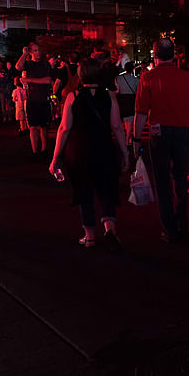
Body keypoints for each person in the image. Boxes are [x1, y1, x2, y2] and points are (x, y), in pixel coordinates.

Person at [50, 59, 130, 251]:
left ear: (81, 74)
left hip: (79, 150)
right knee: (106, 189)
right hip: (104, 147)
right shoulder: (109, 95)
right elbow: (117, 126)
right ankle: (110, 228)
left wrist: (55, 157)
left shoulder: (72, 96)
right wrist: (125, 152)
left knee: (84, 190)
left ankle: (89, 236)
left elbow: (64, 128)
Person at [133, 38, 189, 243]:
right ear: (174, 55)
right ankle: (182, 223)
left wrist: (136, 139)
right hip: (183, 132)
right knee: (180, 179)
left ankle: (169, 229)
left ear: (155, 56)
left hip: (158, 133)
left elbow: (141, 113)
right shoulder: (187, 77)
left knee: (162, 182)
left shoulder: (148, 78)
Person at [16, 42, 53, 157]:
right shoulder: (29, 64)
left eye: (38, 50)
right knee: (32, 127)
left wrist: (29, 80)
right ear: (31, 52)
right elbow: (18, 67)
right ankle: (35, 151)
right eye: (35, 51)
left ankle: (44, 149)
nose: (38, 53)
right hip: (31, 100)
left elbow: (47, 80)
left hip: (43, 99)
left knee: (43, 127)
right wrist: (24, 54)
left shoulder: (45, 64)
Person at [115, 62, 139, 146]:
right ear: (132, 69)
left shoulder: (118, 78)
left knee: (125, 121)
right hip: (131, 101)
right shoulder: (135, 80)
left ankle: (127, 138)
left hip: (122, 101)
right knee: (130, 122)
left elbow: (117, 90)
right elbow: (137, 91)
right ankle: (127, 138)